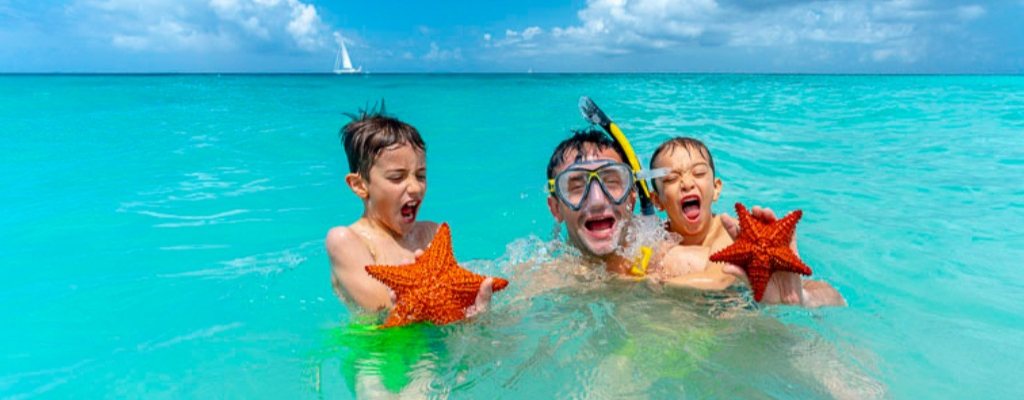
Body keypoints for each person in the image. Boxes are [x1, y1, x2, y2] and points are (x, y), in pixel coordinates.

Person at [325, 106, 495, 316]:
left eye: (421, 175)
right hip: (376, 346)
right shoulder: (346, 240)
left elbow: (454, 294)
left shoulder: (433, 234)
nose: (415, 187)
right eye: (397, 177)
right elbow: (382, 312)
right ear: (359, 186)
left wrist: (474, 311)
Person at [646, 136, 846, 307]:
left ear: (716, 189)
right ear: (657, 201)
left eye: (698, 173)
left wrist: (657, 282)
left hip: (745, 301)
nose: (687, 183)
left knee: (820, 293)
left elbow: (719, 279)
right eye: (672, 179)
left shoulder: (727, 232)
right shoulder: (655, 237)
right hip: (704, 309)